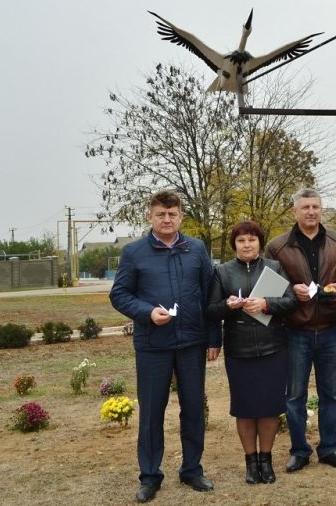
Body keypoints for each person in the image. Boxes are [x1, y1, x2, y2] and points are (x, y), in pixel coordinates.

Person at [110, 190, 217, 503]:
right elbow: (119, 295)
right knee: (152, 412)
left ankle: (192, 470)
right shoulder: (134, 253)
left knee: (194, 409)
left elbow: (210, 295)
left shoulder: (197, 249)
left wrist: (214, 337)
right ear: (150, 217)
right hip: (152, 346)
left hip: (191, 343)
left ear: (181, 216)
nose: (167, 219)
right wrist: (146, 312)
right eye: (161, 214)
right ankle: (150, 476)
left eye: (172, 214)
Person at [265, 188, 336, 473]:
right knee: (295, 396)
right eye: (305, 207)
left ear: (321, 209)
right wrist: (292, 290)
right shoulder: (277, 247)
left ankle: (329, 448)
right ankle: (299, 450)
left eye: (315, 206)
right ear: (294, 211)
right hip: (295, 330)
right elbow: (268, 288)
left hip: (330, 328)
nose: (311, 211)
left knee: (331, 394)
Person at [206, 220, 297, 485]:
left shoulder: (274, 267)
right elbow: (210, 310)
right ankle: (250, 462)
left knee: (269, 408)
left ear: (260, 243)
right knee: (245, 409)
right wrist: (228, 304)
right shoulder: (222, 272)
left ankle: (266, 461)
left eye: (252, 240)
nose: (247, 245)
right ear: (234, 244)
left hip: (273, 348)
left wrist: (266, 303)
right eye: (241, 241)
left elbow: (291, 301)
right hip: (239, 350)